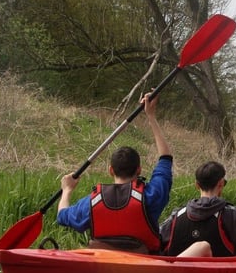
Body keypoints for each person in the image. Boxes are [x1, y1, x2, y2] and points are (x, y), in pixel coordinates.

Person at [56, 92, 172, 254]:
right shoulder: (151, 196)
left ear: (111, 170)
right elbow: (165, 159)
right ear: (139, 170)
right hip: (144, 266)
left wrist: (67, 191)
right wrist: (151, 117)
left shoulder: (91, 202)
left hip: (104, 268)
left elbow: (62, 216)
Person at [160, 161, 236, 259]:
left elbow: (156, 241)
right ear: (220, 183)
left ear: (197, 185)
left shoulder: (176, 214)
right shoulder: (234, 215)